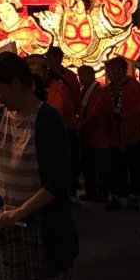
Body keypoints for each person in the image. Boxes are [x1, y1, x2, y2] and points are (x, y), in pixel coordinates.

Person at [0, 51, 80, 280]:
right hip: (8, 223)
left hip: (44, 225)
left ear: (16, 83)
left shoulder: (47, 119)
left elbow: (58, 182)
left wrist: (21, 211)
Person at [31, 47, 81, 200]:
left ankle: (70, 191)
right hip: (45, 125)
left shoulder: (68, 77)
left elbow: (76, 98)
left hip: (68, 124)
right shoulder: (37, 82)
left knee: (68, 158)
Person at [98, 56, 140, 211]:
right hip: (114, 133)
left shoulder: (132, 85)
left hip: (130, 130)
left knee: (133, 165)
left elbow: (139, 111)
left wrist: (136, 132)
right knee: (114, 166)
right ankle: (115, 196)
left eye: (118, 68)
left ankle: (133, 196)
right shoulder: (107, 90)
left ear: (124, 70)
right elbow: (102, 111)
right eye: (112, 68)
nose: (115, 71)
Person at [77, 64, 110, 202]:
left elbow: (95, 112)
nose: (81, 78)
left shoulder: (100, 90)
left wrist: (83, 124)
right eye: (79, 75)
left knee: (100, 164)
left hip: (97, 132)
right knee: (88, 163)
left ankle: (102, 192)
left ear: (92, 74)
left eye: (83, 74)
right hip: (87, 133)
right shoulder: (84, 90)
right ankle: (91, 191)